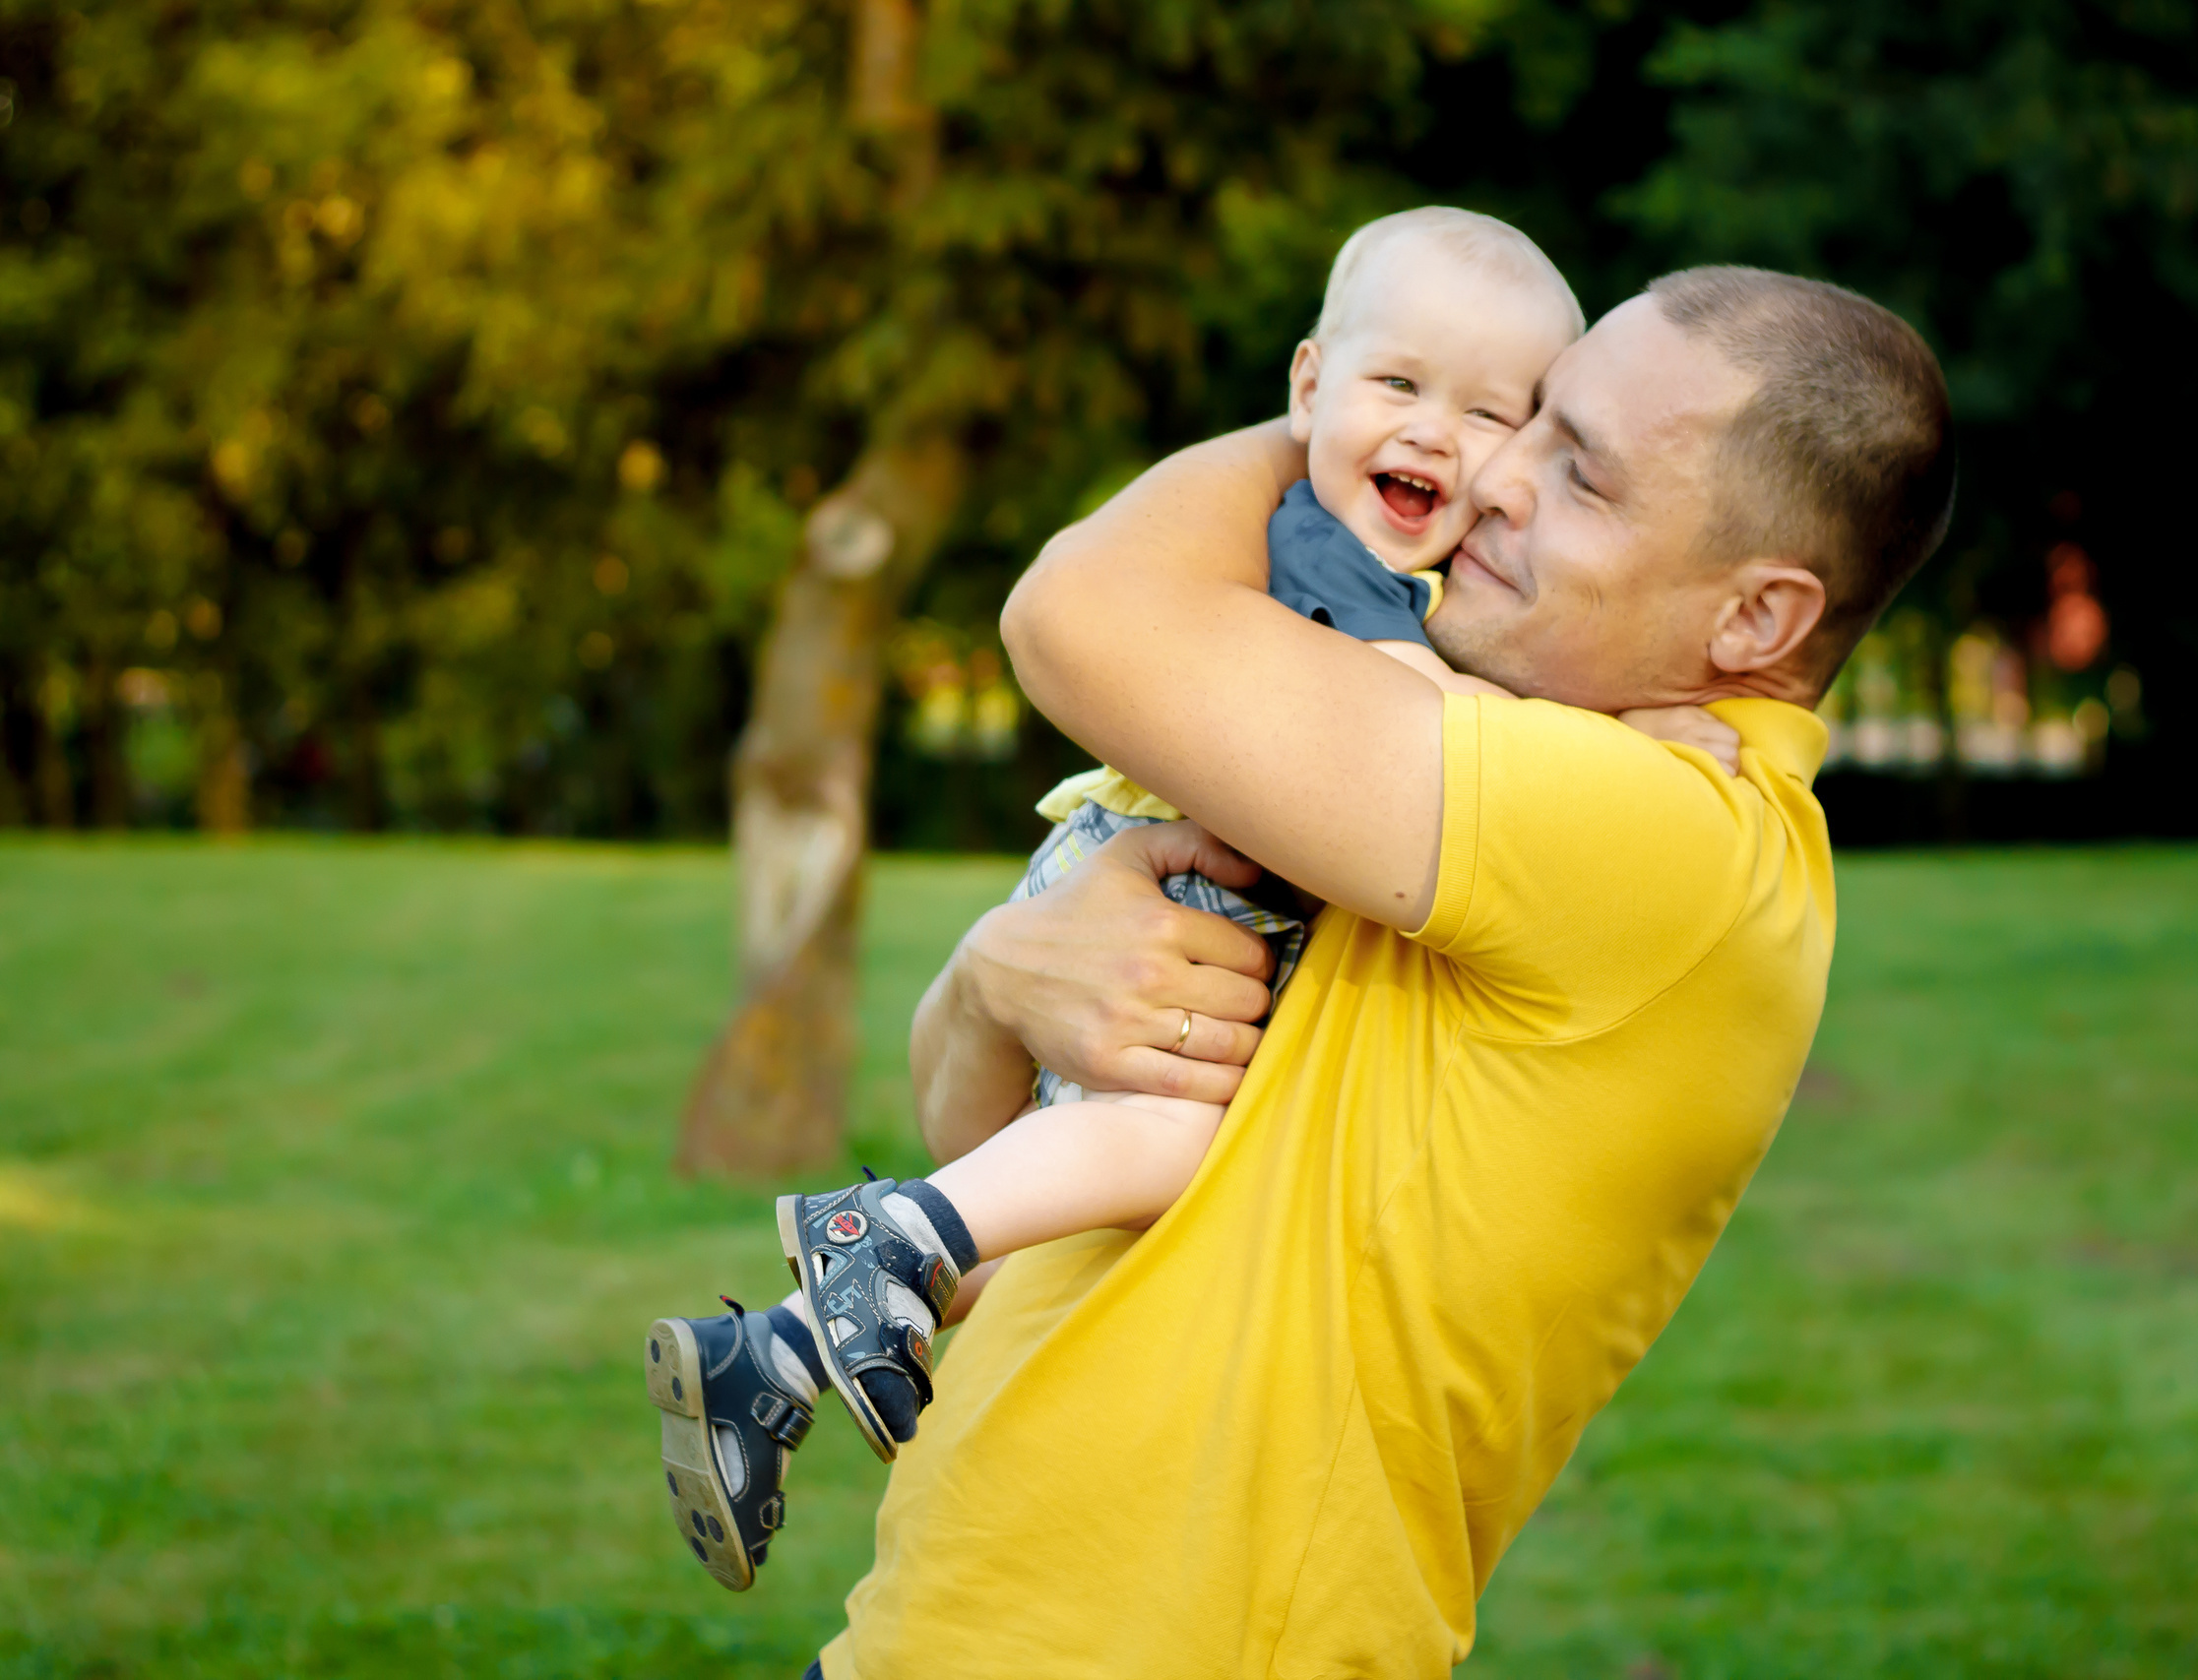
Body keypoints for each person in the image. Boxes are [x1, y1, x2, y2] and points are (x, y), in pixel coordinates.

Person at [803, 263, 1955, 1678]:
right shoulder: (1460, 740)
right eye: (1526, 420)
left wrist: (1339, 411)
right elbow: (979, 1153)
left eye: (1579, 475)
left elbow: (1073, 615)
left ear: (1757, 622)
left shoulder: (1668, 838)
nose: (1492, 478)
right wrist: (997, 981)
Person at [640, 210, 1742, 1590]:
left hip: (1175, 906)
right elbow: (1416, 723)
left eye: (1490, 415)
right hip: (1176, 877)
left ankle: (774, 1362)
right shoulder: (1325, 550)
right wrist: (1629, 748)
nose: (1435, 436)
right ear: (1307, 389)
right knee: (1172, 1138)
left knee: (1020, 1261)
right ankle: (885, 1232)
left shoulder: (1417, 577)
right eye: (1397, 387)